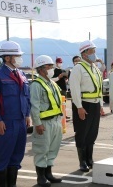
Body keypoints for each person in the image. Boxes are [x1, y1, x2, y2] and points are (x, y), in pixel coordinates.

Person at [0, 41, 31, 187]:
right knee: (2, 158)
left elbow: (26, 97)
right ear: (7, 58)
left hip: (21, 122)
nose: (19, 58)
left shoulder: (22, 74)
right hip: (6, 122)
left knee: (17, 157)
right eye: (17, 55)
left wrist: (27, 114)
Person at [69, 40, 104, 172]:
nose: (94, 54)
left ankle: (90, 159)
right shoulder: (78, 68)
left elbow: (99, 88)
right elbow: (75, 89)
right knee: (82, 133)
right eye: (91, 51)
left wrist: (100, 105)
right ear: (84, 54)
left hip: (95, 104)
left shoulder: (94, 68)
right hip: (84, 104)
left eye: (94, 51)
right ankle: (82, 161)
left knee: (92, 133)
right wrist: (79, 107)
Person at [30, 55, 63, 187]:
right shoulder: (36, 85)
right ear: (41, 69)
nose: (52, 69)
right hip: (44, 122)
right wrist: (37, 123)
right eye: (49, 66)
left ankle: (48, 173)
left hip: (55, 121)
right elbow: (35, 106)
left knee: (52, 148)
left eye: (51, 66)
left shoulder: (52, 83)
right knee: (41, 149)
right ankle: (41, 176)